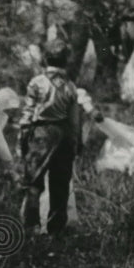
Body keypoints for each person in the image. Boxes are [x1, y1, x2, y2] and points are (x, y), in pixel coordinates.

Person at [18, 39, 81, 237]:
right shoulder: (70, 86)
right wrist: (77, 141)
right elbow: (74, 120)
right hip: (63, 133)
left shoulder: (37, 82)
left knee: (34, 180)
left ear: (45, 59)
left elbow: (27, 114)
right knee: (60, 182)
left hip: (42, 133)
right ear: (66, 61)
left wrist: (23, 137)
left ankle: (32, 226)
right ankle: (56, 228)